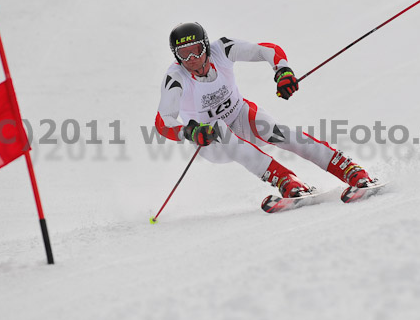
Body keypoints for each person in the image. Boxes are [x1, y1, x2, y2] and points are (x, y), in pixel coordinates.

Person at [155, 22, 376, 201]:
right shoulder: (175, 77)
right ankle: (286, 180)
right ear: (176, 56)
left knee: (277, 132)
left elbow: (265, 50)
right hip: (209, 141)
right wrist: (189, 132)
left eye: (196, 51)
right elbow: (163, 121)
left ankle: (350, 170)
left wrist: (283, 71)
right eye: (184, 54)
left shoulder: (221, 49)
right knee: (219, 129)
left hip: (240, 116)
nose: (192, 59)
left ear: (205, 46)